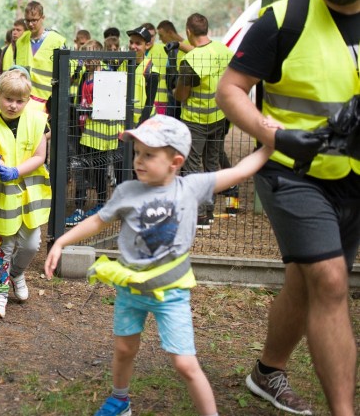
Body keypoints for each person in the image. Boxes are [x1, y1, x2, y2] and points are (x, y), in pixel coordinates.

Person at [216, 0, 360, 416]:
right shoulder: (284, 16)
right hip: (291, 172)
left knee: (306, 279)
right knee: (330, 279)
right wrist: (273, 133)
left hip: (352, 180)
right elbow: (229, 90)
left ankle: (267, 372)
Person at [45, 114, 274, 416]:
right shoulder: (127, 191)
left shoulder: (191, 187)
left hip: (172, 292)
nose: (139, 160)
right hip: (131, 289)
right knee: (125, 349)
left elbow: (240, 171)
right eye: (138, 152)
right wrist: (61, 242)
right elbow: (97, 221)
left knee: (185, 363)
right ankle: (120, 400)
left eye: (149, 155)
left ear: (175, 161)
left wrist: (269, 146)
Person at [0, 67, 50, 318]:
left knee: (31, 244)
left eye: (19, 101)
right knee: (3, 244)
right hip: (3, 196)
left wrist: (16, 171)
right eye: (8, 99)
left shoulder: (38, 120)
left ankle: (16, 273)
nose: (13, 105)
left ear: (27, 100)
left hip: (30, 195)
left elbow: (40, 156)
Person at [173, 13, 233, 228]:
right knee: (211, 165)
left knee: (191, 167)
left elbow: (181, 95)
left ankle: (196, 215)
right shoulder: (223, 50)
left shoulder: (190, 62)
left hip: (195, 120)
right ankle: (207, 213)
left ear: (188, 31)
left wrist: (174, 88)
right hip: (218, 116)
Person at [67, 40, 118, 226]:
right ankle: (80, 206)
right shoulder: (83, 75)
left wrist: (88, 110)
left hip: (100, 133)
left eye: (91, 54)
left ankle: (101, 204)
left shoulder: (106, 75)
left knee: (99, 170)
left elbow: (109, 104)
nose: (87, 58)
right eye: (84, 54)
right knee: (81, 168)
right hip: (85, 130)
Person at [0, 1, 68, 113]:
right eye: (27, 20)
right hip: (23, 100)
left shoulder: (57, 41)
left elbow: (66, 75)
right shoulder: (20, 41)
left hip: (48, 102)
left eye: (34, 20)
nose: (30, 24)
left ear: (42, 18)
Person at [126, 26, 160, 126]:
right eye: (131, 42)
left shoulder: (151, 71)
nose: (132, 46)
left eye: (138, 43)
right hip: (124, 122)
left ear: (147, 45)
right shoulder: (121, 64)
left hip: (144, 123)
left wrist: (140, 127)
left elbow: (149, 104)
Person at [155, 19, 188, 120]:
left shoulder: (187, 47)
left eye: (161, 35)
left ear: (170, 32)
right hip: (170, 97)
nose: (160, 39)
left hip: (179, 98)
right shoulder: (169, 49)